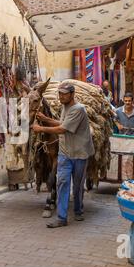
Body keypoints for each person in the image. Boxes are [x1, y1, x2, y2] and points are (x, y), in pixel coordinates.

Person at [32, 82, 94, 228]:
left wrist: (41, 128)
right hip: (65, 153)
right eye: (59, 94)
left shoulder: (79, 109)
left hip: (79, 153)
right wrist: (46, 119)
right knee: (62, 182)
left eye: (64, 94)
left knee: (78, 185)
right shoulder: (65, 107)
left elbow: (62, 129)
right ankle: (61, 218)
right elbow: (62, 122)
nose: (61, 96)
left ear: (72, 94)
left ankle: (78, 210)